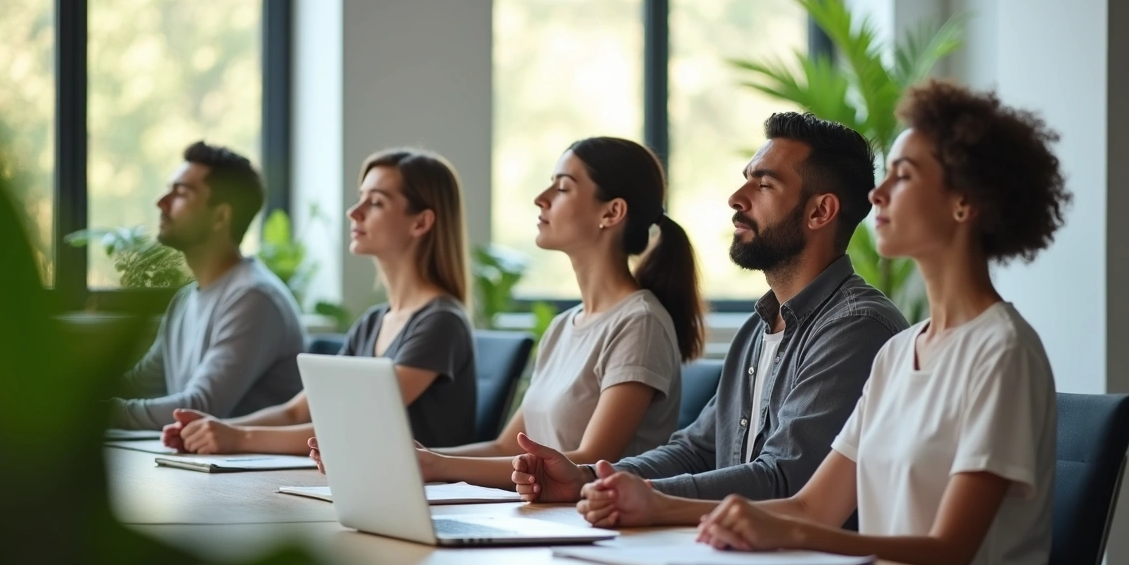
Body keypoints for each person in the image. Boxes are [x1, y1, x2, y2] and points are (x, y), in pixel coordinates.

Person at [695, 81, 1067, 565]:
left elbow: (949, 553)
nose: (876, 194)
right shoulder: (897, 352)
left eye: (904, 175)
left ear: (965, 202)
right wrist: (653, 505)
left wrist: (785, 532)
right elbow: (811, 505)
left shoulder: (1001, 352)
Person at [513, 113, 909, 525]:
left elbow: (786, 480)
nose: (737, 197)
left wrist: (640, 495)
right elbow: (696, 450)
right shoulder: (758, 329)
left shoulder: (856, 328)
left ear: (820, 211)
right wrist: (588, 477)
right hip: (740, 561)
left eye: (764, 184)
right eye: (746, 179)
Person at [311, 137, 705, 489]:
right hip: (545, 519)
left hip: (598, 529)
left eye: (563, 187)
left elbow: (588, 463)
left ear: (612, 212)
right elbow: (505, 446)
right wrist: (400, 460)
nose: (542, 197)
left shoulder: (640, 322)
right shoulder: (562, 327)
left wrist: (434, 465)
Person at [162, 148, 477, 454]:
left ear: (420, 223)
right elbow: (296, 413)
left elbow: (353, 427)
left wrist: (238, 437)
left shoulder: (441, 322)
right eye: (360, 197)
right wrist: (212, 427)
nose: (354, 211)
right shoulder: (372, 322)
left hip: (426, 501)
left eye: (376, 202)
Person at [111, 141, 305, 430]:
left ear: (220, 217)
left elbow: (200, 407)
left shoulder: (253, 297)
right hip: (198, 467)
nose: (161, 202)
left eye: (181, 193)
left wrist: (95, 414)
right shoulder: (185, 299)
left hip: (247, 473)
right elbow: (140, 385)